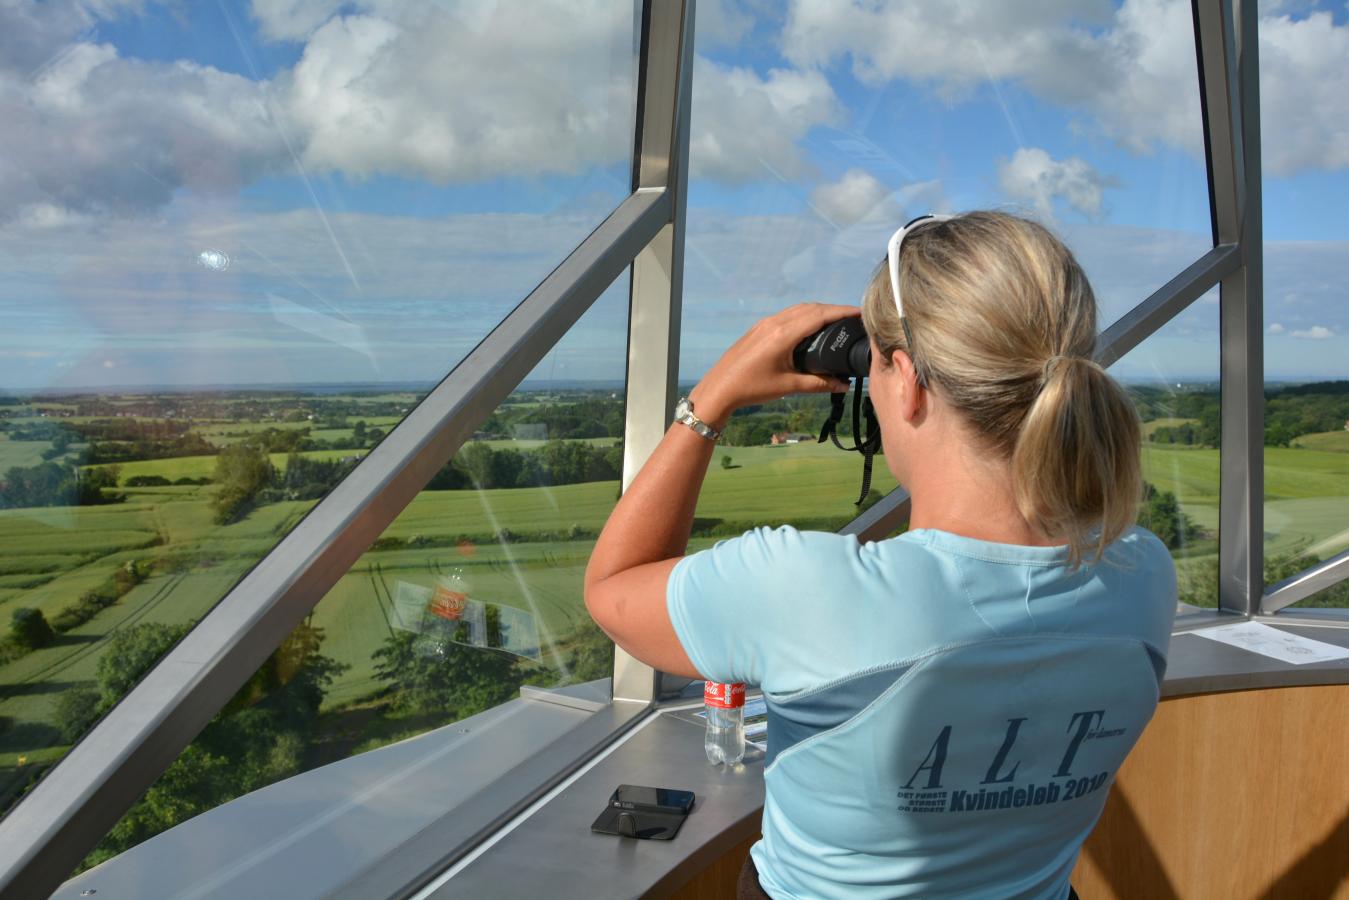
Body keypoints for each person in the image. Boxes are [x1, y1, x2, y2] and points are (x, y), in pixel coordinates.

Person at [584, 211, 1176, 899]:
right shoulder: (1141, 573)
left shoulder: (804, 591)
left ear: (909, 381)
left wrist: (710, 400)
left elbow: (614, 589)